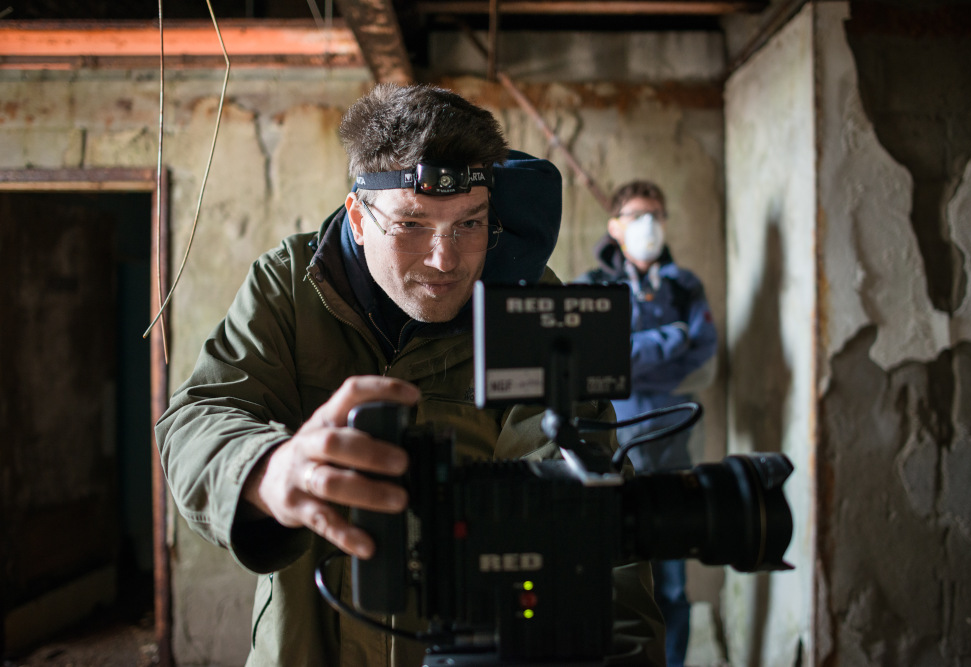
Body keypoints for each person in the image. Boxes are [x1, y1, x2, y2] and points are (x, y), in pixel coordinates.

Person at [155, 84, 665, 666]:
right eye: (413, 225)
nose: (445, 260)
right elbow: (197, 417)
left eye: (469, 224)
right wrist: (266, 469)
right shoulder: (290, 285)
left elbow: (590, 506)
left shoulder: (528, 308)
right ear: (358, 217)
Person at [577, 181, 718, 666]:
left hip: (671, 453)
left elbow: (703, 360)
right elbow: (589, 360)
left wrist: (626, 362)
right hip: (608, 453)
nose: (649, 225)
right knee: (610, 579)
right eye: (637, 215)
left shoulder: (684, 286)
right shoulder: (592, 288)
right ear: (615, 227)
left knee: (672, 586)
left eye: (656, 214)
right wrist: (670, 340)